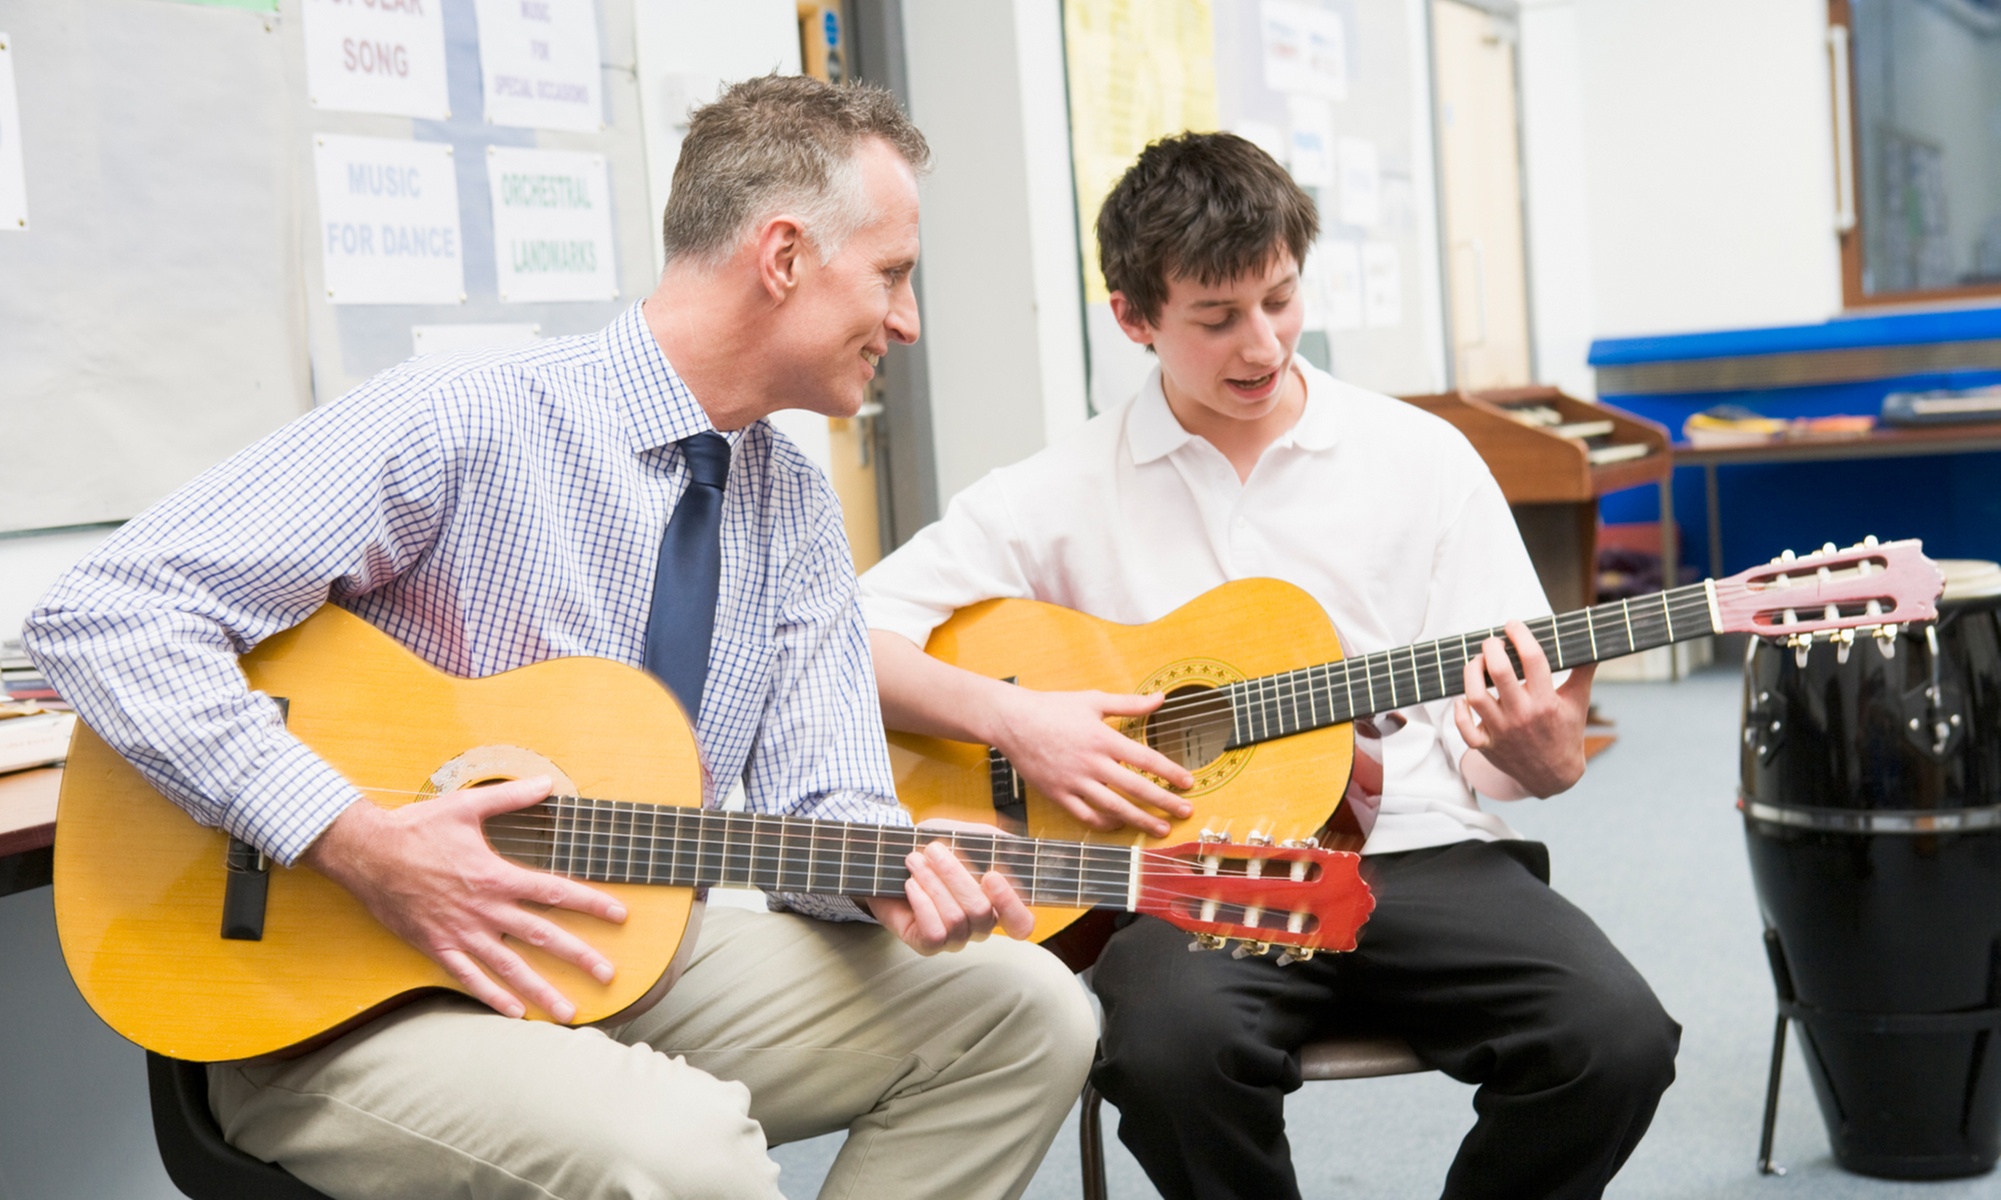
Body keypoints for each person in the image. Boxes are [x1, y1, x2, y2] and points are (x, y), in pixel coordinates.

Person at [25, 76, 1095, 1200]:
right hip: (350, 1004)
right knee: (688, 1153)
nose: (909, 321)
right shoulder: (464, 416)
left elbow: (828, 806)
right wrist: (353, 839)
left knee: (1027, 1011)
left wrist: (894, 877)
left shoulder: (793, 498)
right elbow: (105, 612)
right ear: (783, 257)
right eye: (892, 274)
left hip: (613, 957)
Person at [860, 132, 1681, 1200]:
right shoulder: (1060, 489)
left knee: (1617, 1041)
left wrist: (1546, 754)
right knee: (1162, 1053)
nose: (1263, 346)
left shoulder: (1422, 459)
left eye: (1280, 300)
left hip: (1424, 849)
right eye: (1216, 318)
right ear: (1134, 318)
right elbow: (848, 632)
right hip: (1190, 875)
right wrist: (1018, 725)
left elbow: (1517, 763)